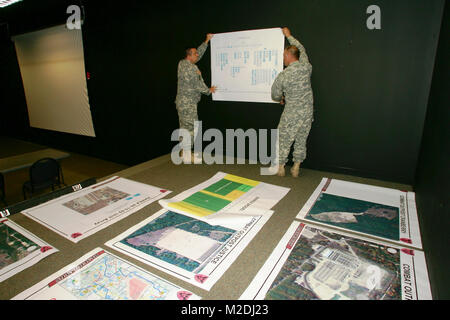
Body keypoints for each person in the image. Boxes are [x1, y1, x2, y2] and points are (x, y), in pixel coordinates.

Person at [271, 27, 314, 177]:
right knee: (301, 139)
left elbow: (275, 94)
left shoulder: (283, 75)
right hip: (307, 113)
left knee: (284, 138)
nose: (283, 58)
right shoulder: (306, 67)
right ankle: (296, 167)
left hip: (291, 113)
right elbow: (301, 49)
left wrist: (280, 98)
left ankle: (281, 167)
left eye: (284, 55)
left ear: (290, 55)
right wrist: (289, 36)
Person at [175, 33, 216, 161]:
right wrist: (208, 90)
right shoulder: (190, 68)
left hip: (184, 103)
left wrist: (206, 41)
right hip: (187, 104)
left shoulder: (183, 63)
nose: (197, 55)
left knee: (185, 127)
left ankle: (184, 152)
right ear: (189, 56)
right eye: (195, 54)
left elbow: (198, 53)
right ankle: (187, 155)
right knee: (191, 127)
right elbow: (197, 83)